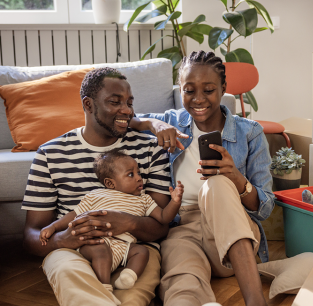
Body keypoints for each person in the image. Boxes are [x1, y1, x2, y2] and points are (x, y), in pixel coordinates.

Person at [130, 50, 275, 306]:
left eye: (208, 90)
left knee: (217, 183)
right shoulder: (171, 121)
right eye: (189, 90)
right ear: (180, 89)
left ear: (223, 89)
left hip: (232, 238)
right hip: (182, 229)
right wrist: (155, 125)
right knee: (182, 287)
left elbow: (265, 208)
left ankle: (256, 302)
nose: (198, 99)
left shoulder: (249, 133)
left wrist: (236, 178)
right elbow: (130, 119)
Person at [22, 67, 172, 306]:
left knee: (131, 299)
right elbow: (32, 235)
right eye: (115, 102)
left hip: (135, 251)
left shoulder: (150, 148)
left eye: (129, 102)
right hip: (73, 252)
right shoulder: (50, 154)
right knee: (79, 288)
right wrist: (62, 240)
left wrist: (129, 222)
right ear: (89, 104)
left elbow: (162, 226)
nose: (127, 110)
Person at [39, 148, 184, 304]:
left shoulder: (144, 200)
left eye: (138, 173)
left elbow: (163, 218)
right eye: (131, 174)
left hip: (124, 246)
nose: (139, 178)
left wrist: (175, 202)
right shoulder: (96, 195)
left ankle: (129, 276)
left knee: (141, 252)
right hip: (97, 242)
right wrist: (53, 227)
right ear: (110, 183)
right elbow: (73, 214)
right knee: (101, 251)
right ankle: (104, 286)